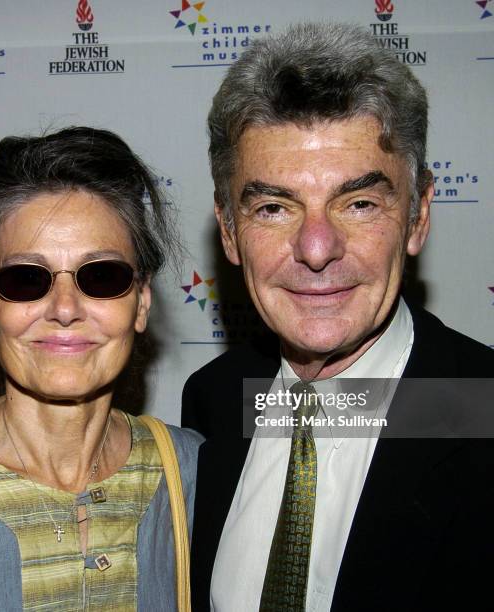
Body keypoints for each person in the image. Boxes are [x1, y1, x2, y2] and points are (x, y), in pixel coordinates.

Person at [181, 23, 494, 612]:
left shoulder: (484, 409)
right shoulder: (217, 402)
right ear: (228, 229)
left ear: (418, 216)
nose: (317, 248)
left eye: (359, 204)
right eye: (274, 207)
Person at [0, 127, 202, 610]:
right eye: (26, 279)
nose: (65, 308)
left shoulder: (194, 474)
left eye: (102, 276)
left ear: (142, 301)